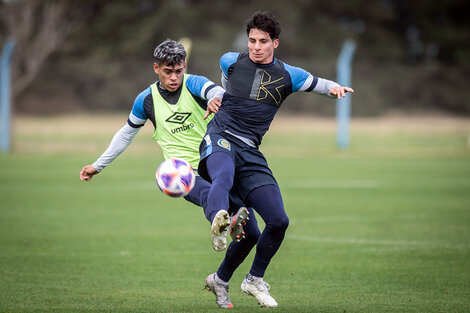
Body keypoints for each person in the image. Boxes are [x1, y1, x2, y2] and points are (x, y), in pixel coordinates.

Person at [200, 11, 354, 308]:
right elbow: (224, 86)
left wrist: (335, 89)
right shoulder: (230, 60)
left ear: (275, 43)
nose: (256, 46)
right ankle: (218, 223)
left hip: (251, 151)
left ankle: (253, 279)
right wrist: (215, 98)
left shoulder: (288, 75)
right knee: (223, 175)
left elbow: (319, 84)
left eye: (263, 41)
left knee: (279, 221)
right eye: (252, 41)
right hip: (220, 135)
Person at [79, 39, 249, 253]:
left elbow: (215, 91)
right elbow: (126, 134)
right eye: (168, 71)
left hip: (215, 160)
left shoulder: (193, 83)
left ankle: (226, 269)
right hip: (182, 172)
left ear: (184, 66)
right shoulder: (146, 100)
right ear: (156, 68)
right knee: (206, 193)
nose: (174, 77)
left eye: (178, 71)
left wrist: (216, 98)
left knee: (251, 231)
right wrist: (98, 165)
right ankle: (222, 223)